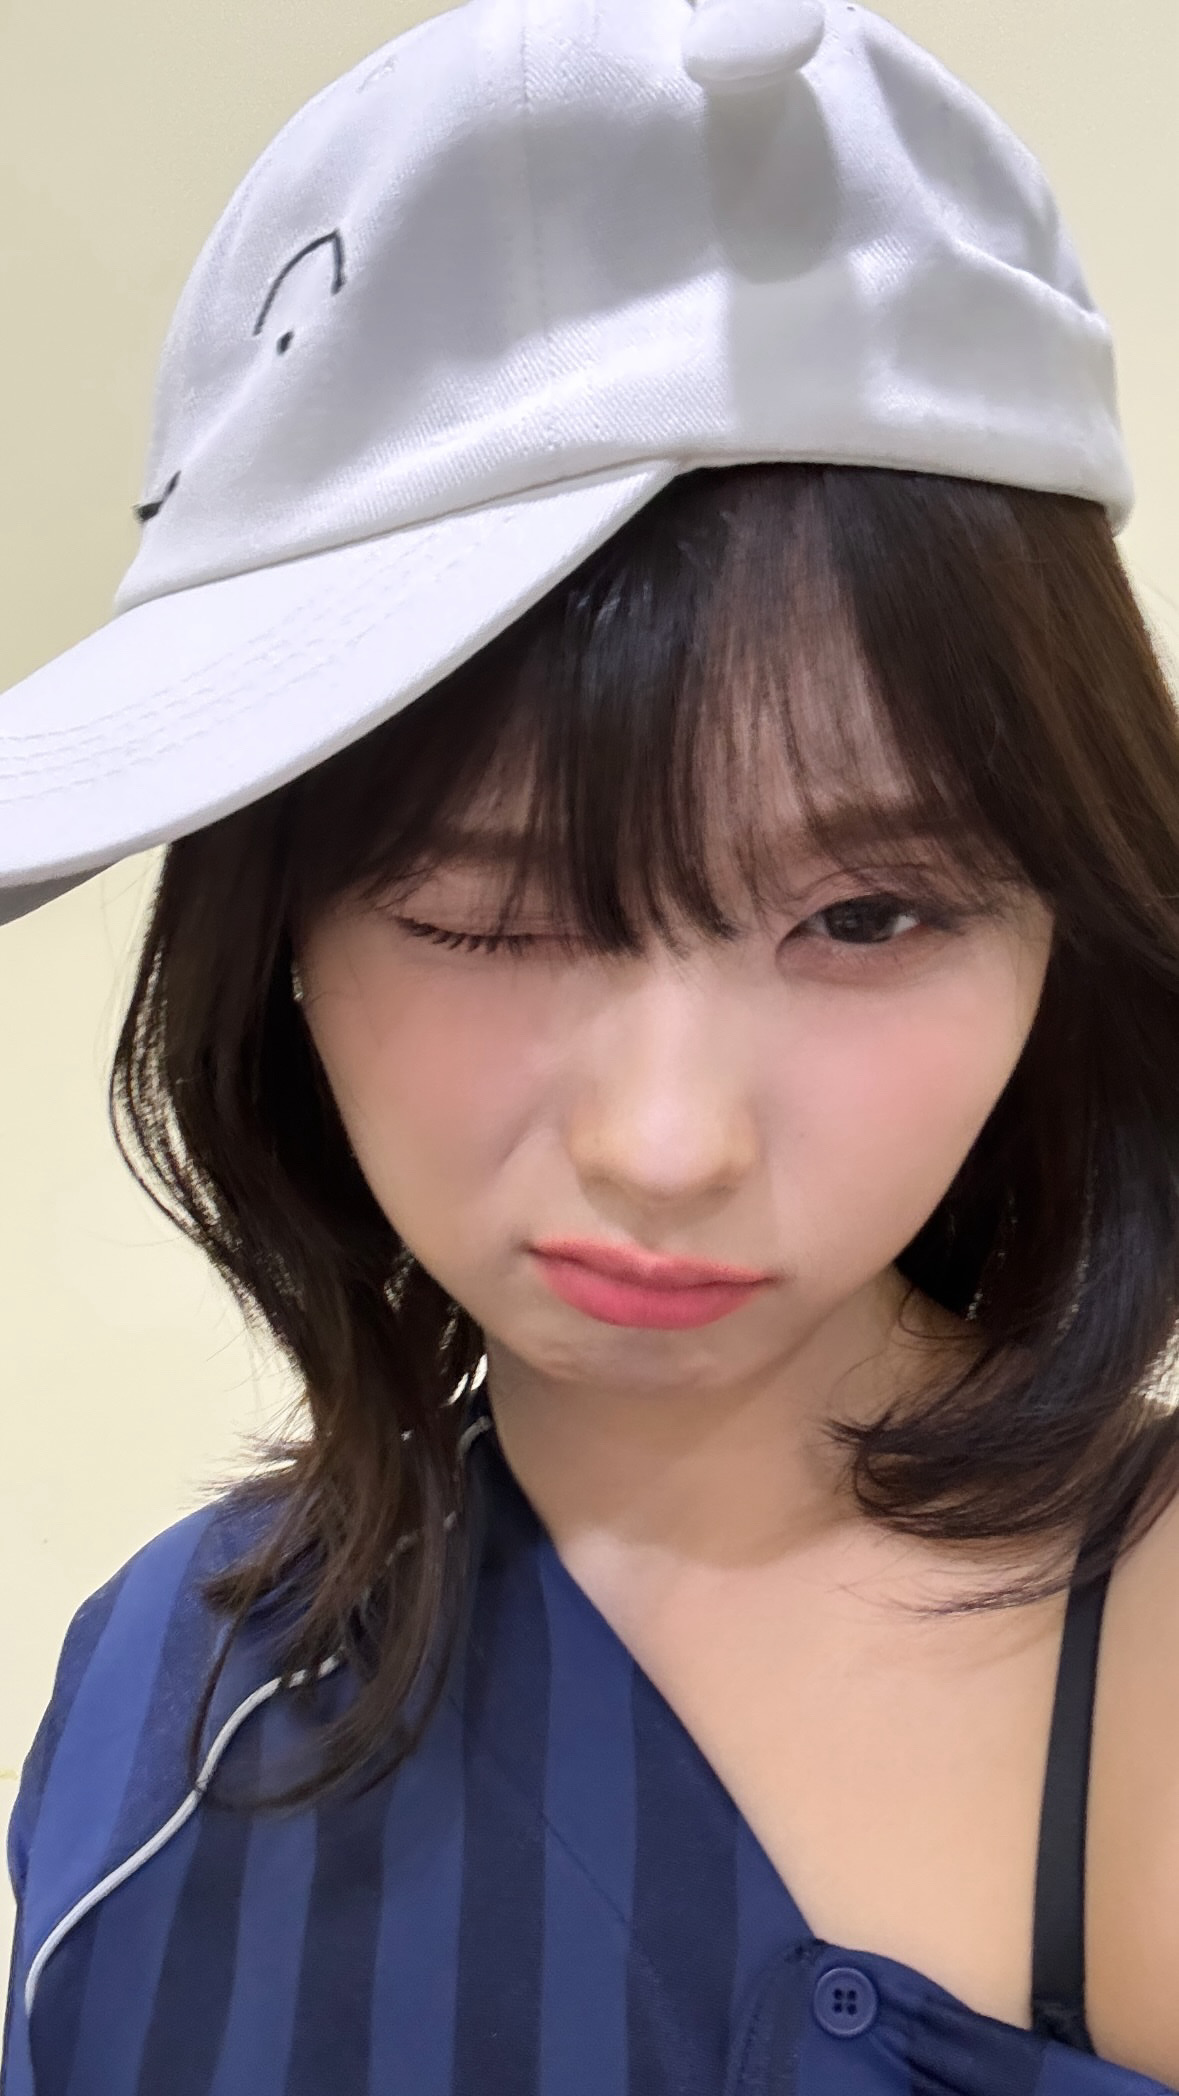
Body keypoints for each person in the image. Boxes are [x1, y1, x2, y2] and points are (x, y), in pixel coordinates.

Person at [2, 0, 1178, 2090]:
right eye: (485, 913)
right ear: (276, 937)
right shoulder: (150, 1687)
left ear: (1063, 926)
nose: (663, 1140)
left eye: (867, 917)